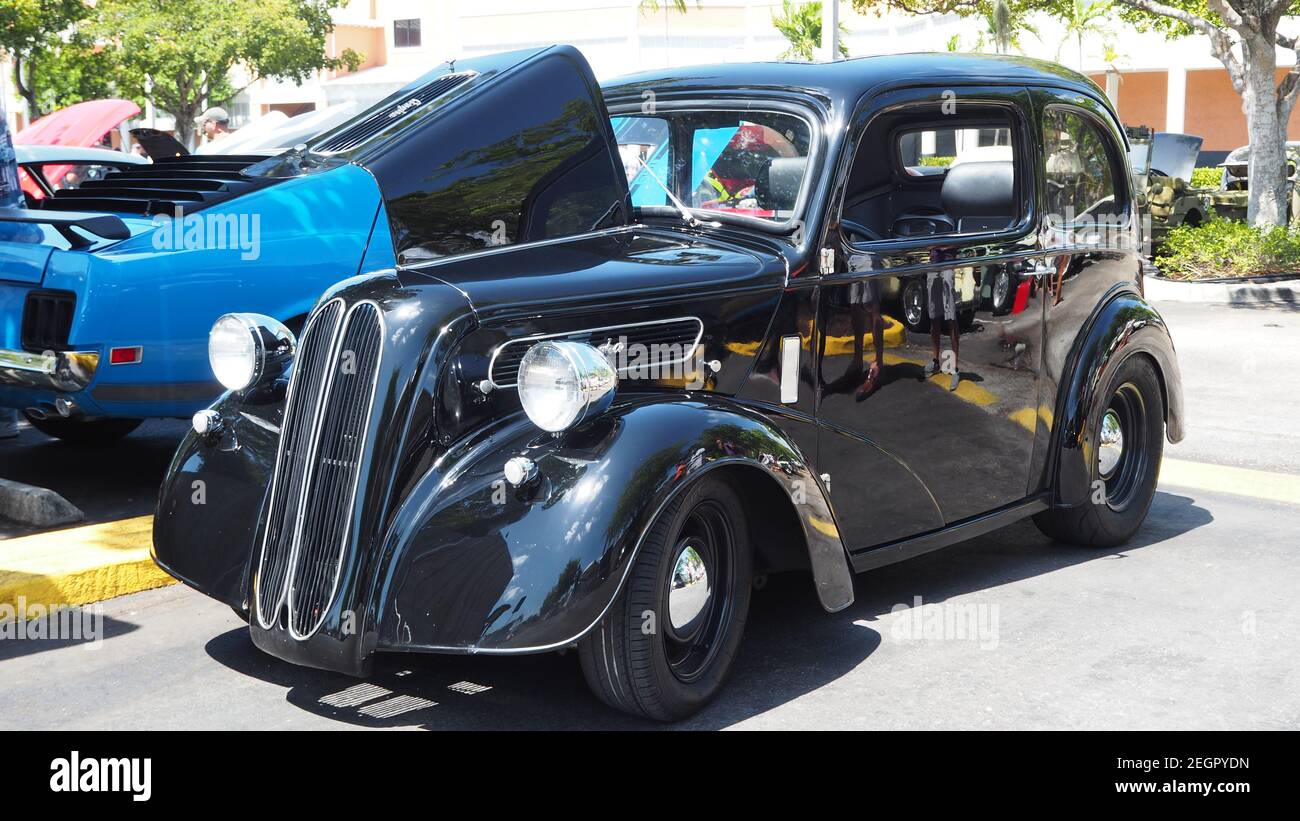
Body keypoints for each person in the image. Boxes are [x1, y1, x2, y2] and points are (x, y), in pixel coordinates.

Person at [922, 246, 961, 391]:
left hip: (948, 259)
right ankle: (935, 361)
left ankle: (955, 368)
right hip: (933, 260)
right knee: (934, 315)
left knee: (950, 316)